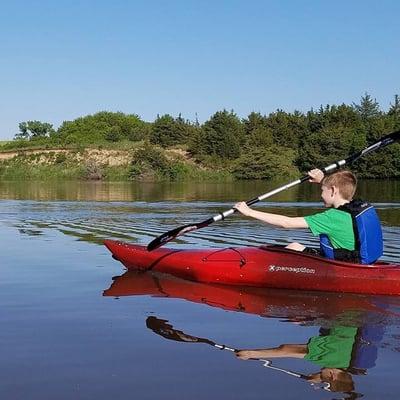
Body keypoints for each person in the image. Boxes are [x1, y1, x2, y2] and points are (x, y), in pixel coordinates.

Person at [234, 169, 383, 264]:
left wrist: (249, 212)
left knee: (291, 248)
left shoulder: (331, 217)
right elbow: (335, 188)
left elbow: (286, 223)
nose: (320, 195)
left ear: (333, 191)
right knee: (295, 246)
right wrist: (323, 180)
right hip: (356, 259)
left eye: (322, 190)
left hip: (342, 265)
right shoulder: (358, 206)